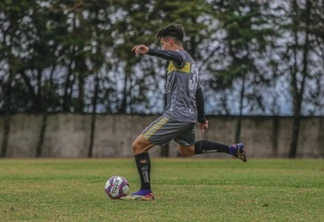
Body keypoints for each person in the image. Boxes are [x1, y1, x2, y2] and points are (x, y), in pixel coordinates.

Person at [121, 24, 246, 201]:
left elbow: (172, 55)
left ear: (171, 42)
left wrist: (149, 51)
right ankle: (232, 149)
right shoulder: (192, 65)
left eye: (163, 44)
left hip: (176, 115)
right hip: (189, 117)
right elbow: (198, 92)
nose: (163, 47)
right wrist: (201, 117)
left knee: (138, 146)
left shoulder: (180, 57)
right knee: (186, 150)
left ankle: (145, 191)